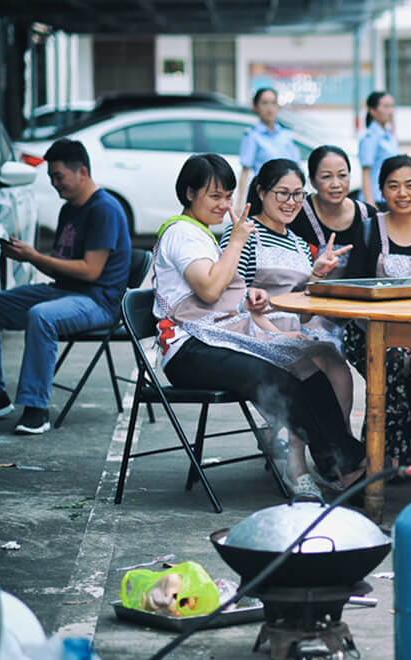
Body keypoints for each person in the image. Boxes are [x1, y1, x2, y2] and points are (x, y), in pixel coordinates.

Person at [154, 153, 365, 494]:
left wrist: (254, 302)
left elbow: (227, 295)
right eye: (214, 196)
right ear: (190, 193)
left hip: (218, 335)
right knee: (278, 375)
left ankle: (344, 461)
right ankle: (327, 462)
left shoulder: (202, 234)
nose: (224, 205)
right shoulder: (184, 233)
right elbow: (209, 289)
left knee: (304, 366)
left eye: (227, 196)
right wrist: (237, 241)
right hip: (188, 348)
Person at [0, 138, 131, 434]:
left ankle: (37, 410)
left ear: (82, 172)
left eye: (58, 176)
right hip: (64, 291)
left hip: (99, 301)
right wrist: (27, 256)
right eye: (51, 177)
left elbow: (91, 271)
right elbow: (59, 265)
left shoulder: (104, 210)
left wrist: (35, 256)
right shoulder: (69, 209)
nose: (54, 184)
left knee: (43, 316)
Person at [342, 155, 411, 467]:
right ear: (382, 189)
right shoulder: (368, 231)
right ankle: (388, 458)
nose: (402, 193)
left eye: (410, 185)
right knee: (391, 362)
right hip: (369, 331)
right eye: (393, 186)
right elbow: (354, 291)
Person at [221, 158, 354, 423]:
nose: (291, 202)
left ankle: (340, 442)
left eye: (298, 195)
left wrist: (317, 273)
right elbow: (232, 297)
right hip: (251, 328)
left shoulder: (299, 244)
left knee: (335, 360)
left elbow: (302, 309)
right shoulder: (244, 233)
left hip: (295, 325)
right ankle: (301, 455)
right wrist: (278, 333)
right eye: (282, 193)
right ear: (261, 192)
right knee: (310, 362)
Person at [293, 145, 378, 281]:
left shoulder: (368, 215)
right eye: (326, 177)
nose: (336, 184)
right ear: (313, 181)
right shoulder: (298, 214)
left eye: (342, 175)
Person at [236, 87, 299, 213]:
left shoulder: (286, 135)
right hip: (265, 195)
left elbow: (296, 167)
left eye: (273, 103)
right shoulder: (252, 135)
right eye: (264, 103)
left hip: (288, 194)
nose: (270, 108)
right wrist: (240, 203)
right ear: (256, 107)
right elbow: (245, 171)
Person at [359, 91, 398, 207]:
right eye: (386, 106)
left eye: (392, 106)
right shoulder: (370, 137)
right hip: (377, 199)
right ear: (372, 111)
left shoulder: (387, 135)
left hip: (388, 197)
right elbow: (366, 171)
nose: (390, 111)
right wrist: (370, 203)